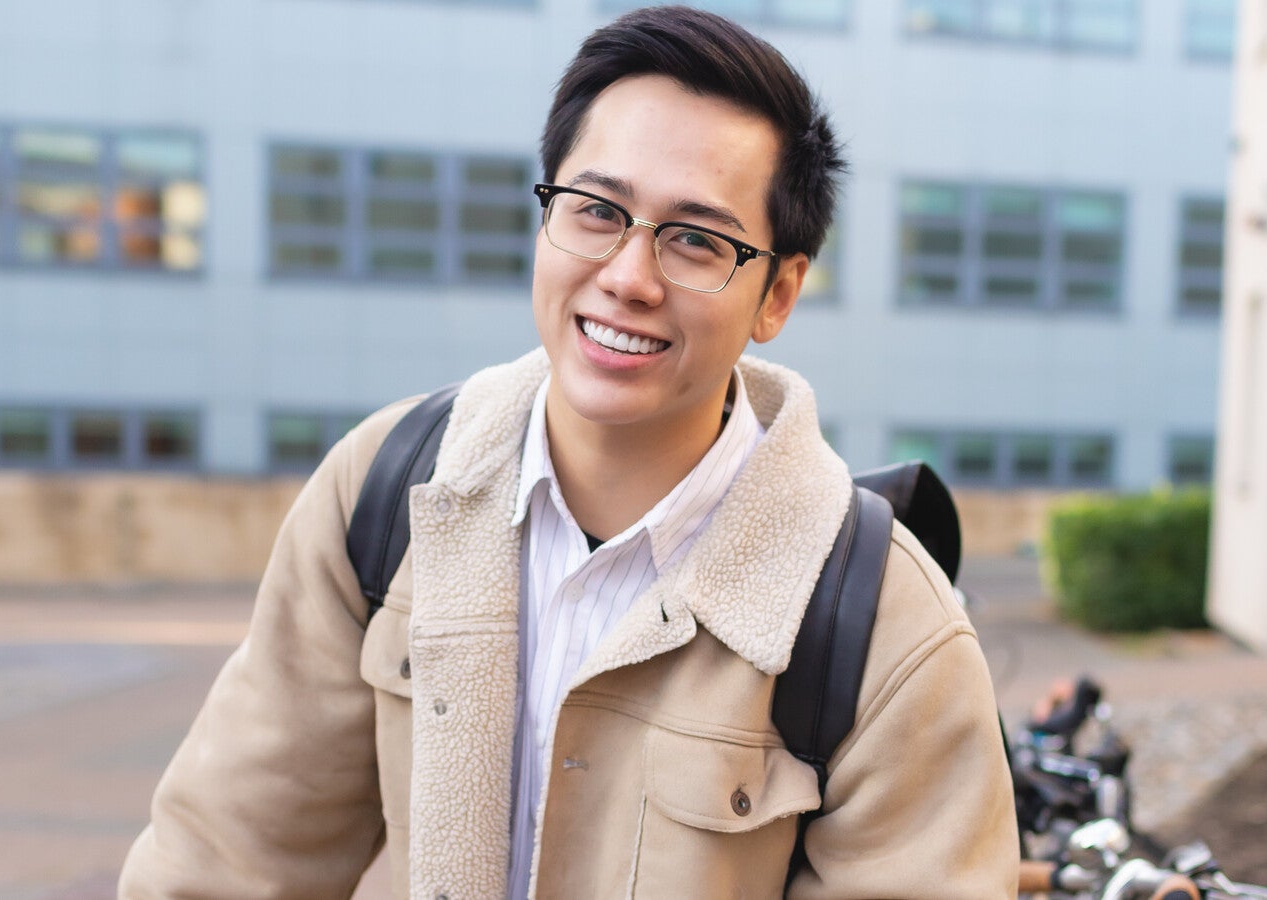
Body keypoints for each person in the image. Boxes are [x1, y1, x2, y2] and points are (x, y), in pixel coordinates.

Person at [119, 6, 1017, 898]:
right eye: (597, 210)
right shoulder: (389, 489)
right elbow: (224, 862)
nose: (627, 278)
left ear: (777, 294)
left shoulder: (887, 622)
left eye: (696, 240)